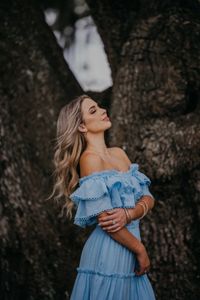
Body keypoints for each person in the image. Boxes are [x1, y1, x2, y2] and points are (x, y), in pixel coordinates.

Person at [50, 94, 156, 299]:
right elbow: (107, 221)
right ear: (82, 126)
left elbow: (148, 196)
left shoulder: (119, 153)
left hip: (130, 251)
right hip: (109, 254)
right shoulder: (89, 159)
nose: (102, 110)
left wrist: (131, 213)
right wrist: (140, 249)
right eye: (93, 111)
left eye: (99, 107)